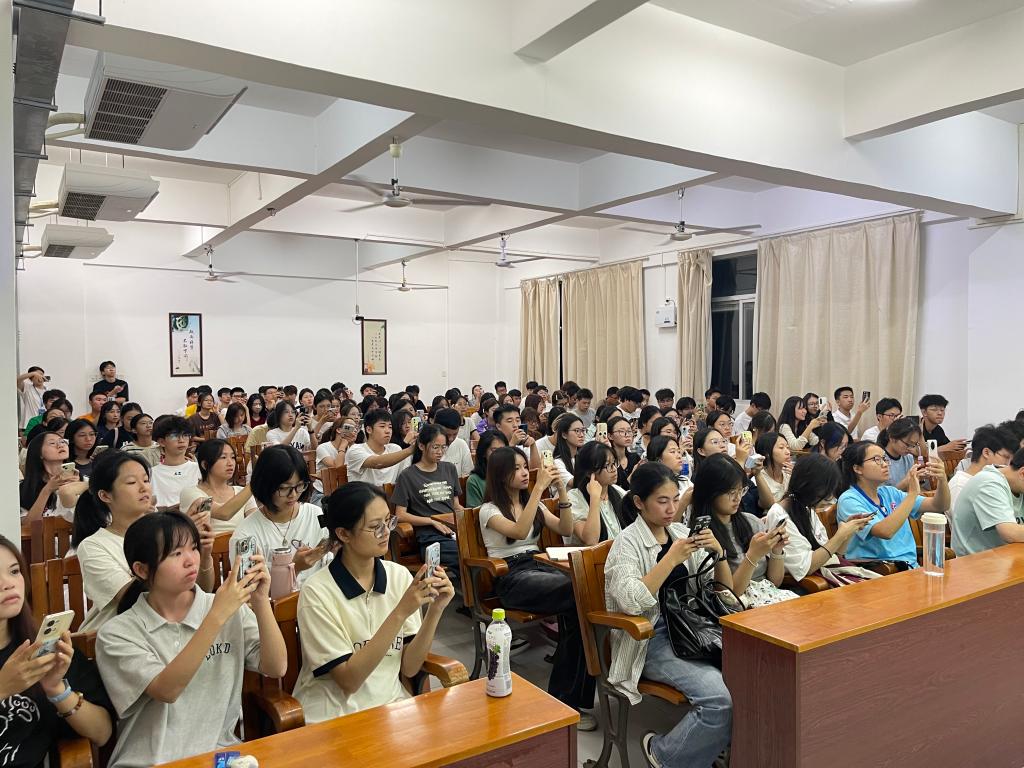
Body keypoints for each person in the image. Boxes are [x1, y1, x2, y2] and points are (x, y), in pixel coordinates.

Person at [97, 513, 286, 767]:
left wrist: (261, 600)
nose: (190, 560)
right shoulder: (117, 633)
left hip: (218, 758)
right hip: (150, 762)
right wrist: (216, 616)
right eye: (176, 553)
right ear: (142, 569)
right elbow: (167, 690)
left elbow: (276, 667)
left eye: (194, 548)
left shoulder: (225, 606)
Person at [604, 462, 733, 768]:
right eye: (662, 501)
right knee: (719, 701)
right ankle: (664, 754)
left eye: (675, 499)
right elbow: (631, 601)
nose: (672, 508)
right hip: (651, 638)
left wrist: (719, 554)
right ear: (639, 502)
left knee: (755, 676)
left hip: (692, 629)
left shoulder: (679, 533)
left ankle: (710, 745)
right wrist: (670, 559)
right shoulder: (627, 543)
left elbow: (721, 591)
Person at [293, 481, 454, 721]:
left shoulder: (398, 576)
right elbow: (349, 681)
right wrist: (401, 611)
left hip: (391, 707)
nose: (386, 532)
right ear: (343, 534)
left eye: (388, 522)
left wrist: (435, 610)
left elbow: (410, 667)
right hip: (335, 715)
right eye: (375, 527)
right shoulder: (317, 592)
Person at [479, 450, 595, 727]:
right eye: (517, 468)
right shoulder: (489, 510)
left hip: (539, 565)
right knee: (577, 593)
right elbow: (519, 531)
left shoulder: (535, 504)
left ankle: (566, 697)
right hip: (511, 576)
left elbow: (565, 528)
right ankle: (565, 698)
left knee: (582, 597)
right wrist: (539, 488)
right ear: (500, 475)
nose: (524, 472)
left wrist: (561, 491)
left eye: (524, 466)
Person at [0, 535, 114, 764]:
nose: (8, 583)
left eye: (14, 571)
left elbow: (102, 733)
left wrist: (56, 689)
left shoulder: (43, 648)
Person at [74, 451, 215, 632]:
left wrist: (203, 554)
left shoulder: (164, 530)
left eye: (146, 480)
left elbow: (202, 590)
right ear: (105, 495)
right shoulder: (94, 546)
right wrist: (173, 541)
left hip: (170, 630)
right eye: (131, 482)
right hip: (116, 636)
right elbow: (133, 600)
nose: (144, 488)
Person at [696, 454, 797, 607]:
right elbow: (730, 597)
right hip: (738, 609)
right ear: (710, 492)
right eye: (731, 492)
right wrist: (752, 556)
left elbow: (774, 583)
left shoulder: (752, 522)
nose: (738, 498)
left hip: (768, 600)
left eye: (741, 490)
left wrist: (777, 550)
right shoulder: (705, 537)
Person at [836, 441, 949, 569]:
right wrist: (912, 494)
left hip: (910, 568)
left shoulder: (889, 492)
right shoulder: (849, 500)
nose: (885, 464)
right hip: (881, 572)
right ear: (857, 468)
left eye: (884, 459)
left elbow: (939, 505)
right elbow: (885, 531)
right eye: (877, 459)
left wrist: (942, 480)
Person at [229, 444, 330, 586]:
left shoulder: (316, 515)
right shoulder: (246, 537)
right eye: (283, 488)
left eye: (300, 485)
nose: (293, 495)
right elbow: (250, 593)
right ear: (265, 486)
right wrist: (295, 568)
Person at [763, 454, 872, 582]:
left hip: (827, 572)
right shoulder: (780, 515)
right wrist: (840, 536)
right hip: (811, 581)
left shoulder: (805, 507)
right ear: (809, 485)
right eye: (827, 490)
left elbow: (834, 554)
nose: (830, 496)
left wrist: (848, 533)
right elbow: (806, 567)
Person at [391, 425, 461, 572]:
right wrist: (431, 521)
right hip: (430, 538)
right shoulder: (408, 475)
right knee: (464, 554)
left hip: (454, 532)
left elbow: (456, 506)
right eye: (435, 447)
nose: (440, 452)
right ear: (421, 446)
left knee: (478, 550)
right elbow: (400, 515)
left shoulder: (449, 469)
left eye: (443, 447)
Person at [950, 447, 1024, 555]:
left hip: (1006, 557)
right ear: (1022, 473)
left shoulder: (1018, 484)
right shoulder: (989, 483)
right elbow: (1009, 533)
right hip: (974, 561)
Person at [179, 439, 257, 534]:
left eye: (233, 457)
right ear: (205, 465)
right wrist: (255, 481)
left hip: (240, 542)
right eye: (223, 457)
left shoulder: (241, 491)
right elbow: (223, 513)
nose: (230, 463)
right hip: (210, 543)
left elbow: (255, 523)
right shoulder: (191, 493)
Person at [947, 426, 1019, 517]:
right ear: (986, 453)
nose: (1008, 465)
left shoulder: (994, 481)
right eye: (1006, 457)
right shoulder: (960, 485)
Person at [567, 441, 628, 545]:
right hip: (593, 555)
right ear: (589, 472)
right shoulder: (574, 497)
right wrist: (594, 498)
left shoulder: (617, 491)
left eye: (614, 463)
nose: (614, 469)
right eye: (607, 465)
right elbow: (590, 541)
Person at [19, 431, 80, 523]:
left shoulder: (81, 480)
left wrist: (77, 487)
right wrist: (47, 490)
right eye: (52, 443)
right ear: (39, 453)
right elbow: (28, 525)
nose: (60, 445)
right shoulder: (25, 488)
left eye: (62, 441)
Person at [345, 409, 414, 486]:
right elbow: (377, 463)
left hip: (390, 493)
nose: (388, 431)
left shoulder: (395, 449)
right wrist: (411, 449)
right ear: (369, 429)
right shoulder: (355, 450)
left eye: (390, 427)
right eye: (382, 426)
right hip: (363, 493)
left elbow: (403, 478)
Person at [151, 417, 201, 511]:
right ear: (161, 442)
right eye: (174, 436)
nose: (181, 440)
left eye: (185, 435)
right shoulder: (152, 473)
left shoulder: (198, 469)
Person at [877, 417, 923, 491]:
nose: (910, 449)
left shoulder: (908, 458)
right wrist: (905, 482)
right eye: (907, 444)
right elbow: (880, 495)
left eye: (913, 445)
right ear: (892, 438)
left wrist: (918, 479)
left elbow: (911, 490)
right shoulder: (878, 460)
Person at [466, 430, 508, 508]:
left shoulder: (512, 474)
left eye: (503, 450)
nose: (500, 454)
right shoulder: (474, 480)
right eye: (494, 450)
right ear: (484, 453)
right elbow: (475, 512)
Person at [751, 432, 792, 512]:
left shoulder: (789, 473)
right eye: (781, 448)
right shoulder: (757, 480)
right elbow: (769, 505)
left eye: (787, 447)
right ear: (767, 453)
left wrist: (798, 478)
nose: (788, 452)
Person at [431, 408, 473, 477]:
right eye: (447, 435)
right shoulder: (426, 446)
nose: (451, 439)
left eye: (455, 434)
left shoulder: (461, 445)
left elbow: (467, 475)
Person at [607, 416, 641, 490]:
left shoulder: (635, 458)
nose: (627, 435)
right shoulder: (607, 462)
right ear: (610, 436)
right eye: (621, 431)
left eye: (629, 431)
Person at [551, 413, 586, 486]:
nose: (582, 435)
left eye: (583, 430)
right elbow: (575, 483)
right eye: (577, 431)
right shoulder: (557, 463)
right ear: (564, 435)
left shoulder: (583, 457)